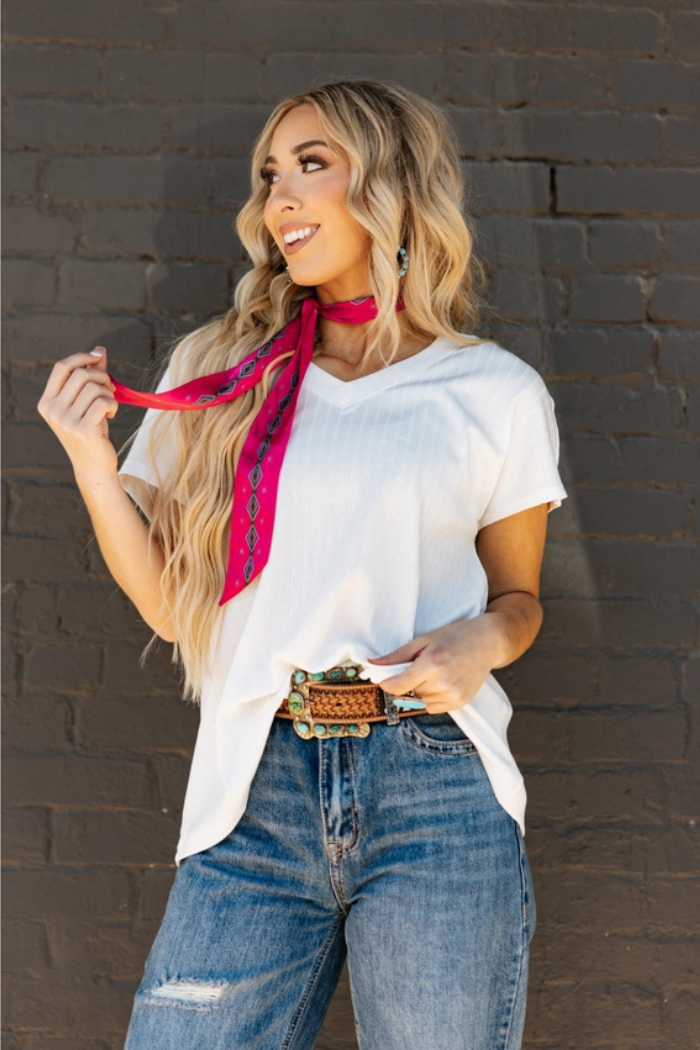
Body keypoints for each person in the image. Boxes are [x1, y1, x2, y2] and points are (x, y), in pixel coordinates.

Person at [38, 79, 567, 1050]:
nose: (277, 200)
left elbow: (521, 601)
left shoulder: (493, 392)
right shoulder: (221, 367)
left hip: (435, 782)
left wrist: (478, 644)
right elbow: (167, 608)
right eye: (269, 176)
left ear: (390, 184)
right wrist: (88, 462)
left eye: (309, 166)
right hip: (257, 781)